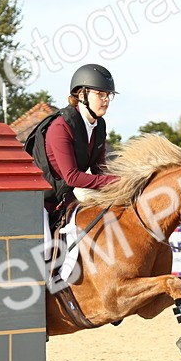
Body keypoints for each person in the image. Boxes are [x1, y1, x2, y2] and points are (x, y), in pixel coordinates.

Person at [34, 63, 119, 257]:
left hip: (65, 199)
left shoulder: (99, 126)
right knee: (47, 249)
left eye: (108, 95)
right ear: (82, 95)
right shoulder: (60, 127)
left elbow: (99, 170)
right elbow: (72, 177)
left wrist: (125, 185)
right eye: (100, 94)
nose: (106, 100)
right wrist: (117, 182)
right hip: (39, 200)